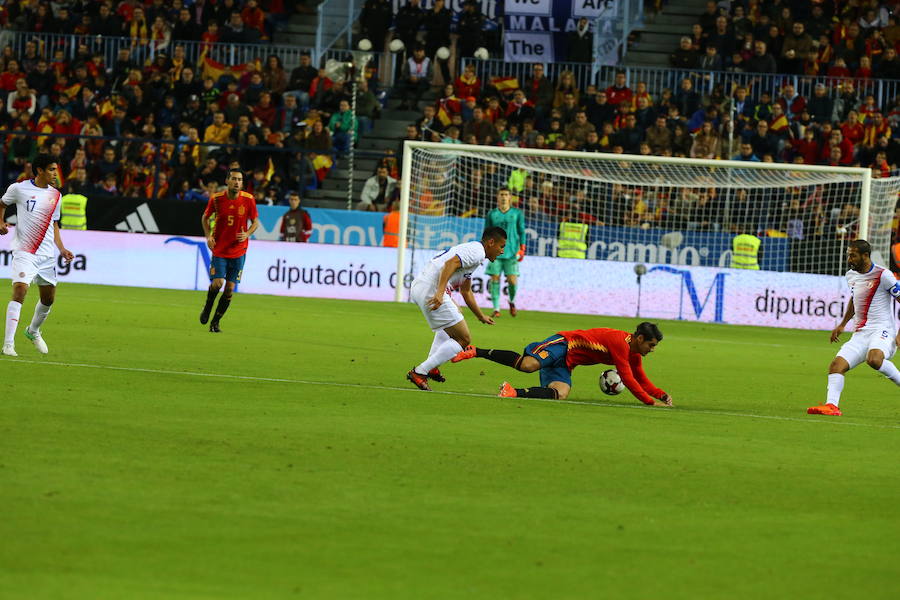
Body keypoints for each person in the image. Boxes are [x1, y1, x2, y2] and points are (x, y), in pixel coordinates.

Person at [452, 322, 672, 405]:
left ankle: (512, 392)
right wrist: (651, 404)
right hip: (563, 344)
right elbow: (629, 380)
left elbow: (641, 378)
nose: (652, 350)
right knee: (528, 365)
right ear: (640, 339)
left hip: (568, 362)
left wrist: (660, 394)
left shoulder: (634, 354)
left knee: (561, 393)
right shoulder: (620, 343)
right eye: (651, 345)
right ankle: (477, 351)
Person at [406, 227, 507, 391]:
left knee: (451, 325)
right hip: (431, 289)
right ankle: (420, 371)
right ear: (491, 242)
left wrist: (481, 316)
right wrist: (439, 293)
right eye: (501, 246)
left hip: (421, 286)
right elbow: (450, 264)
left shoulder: (474, 255)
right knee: (464, 339)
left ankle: (432, 366)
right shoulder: (477, 251)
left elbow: (466, 291)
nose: (502, 251)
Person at [809, 240, 900, 416]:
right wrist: (842, 324)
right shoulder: (851, 275)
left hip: (882, 330)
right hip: (860, 333)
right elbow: (854, 299)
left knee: (874, 360)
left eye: (853, 255)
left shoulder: (884, 275)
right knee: (836, 366)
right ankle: (832, 406)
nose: (849, 259)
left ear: (865, 256)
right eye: (848, 254)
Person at [0, 155, 75, 356]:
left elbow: (54, 224)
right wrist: (1, 222)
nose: (55, 173)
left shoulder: (56, 196)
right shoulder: (19, 188)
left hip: (47, 256)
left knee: (48, 299)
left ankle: (32, 331)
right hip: (25, 251)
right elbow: (2, 203)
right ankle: (8, 344)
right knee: (20, 291)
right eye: (51, 169)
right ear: (40, 170)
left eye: (55, 169)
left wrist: (62, 248)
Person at [199, 168, 260, 333]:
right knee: (217, 283)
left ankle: (215, 322)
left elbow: (255, 222)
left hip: (239, 251)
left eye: (239, 180)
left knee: (229, 289)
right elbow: (205, 217)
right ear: (227, 181)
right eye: (233, 179)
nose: (236, 182)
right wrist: (208, 237)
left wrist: (247, 233)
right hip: (220, 249)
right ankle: (208, 305)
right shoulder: (217, 199)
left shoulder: (248, 199)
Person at [483, 188, 525, 317]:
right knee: (494, 278)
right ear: (497, 197)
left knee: (512, 281)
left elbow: (521, 231)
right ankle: (496, 309)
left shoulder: (517, 213)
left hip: (511, 252)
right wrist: (485, 248)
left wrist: (522, 248)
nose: (503, 197)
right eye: (501, 195)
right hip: (495, 252)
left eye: (506, 195)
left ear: (510, 198)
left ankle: (511, 301)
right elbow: (486, 232)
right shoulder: (492, 214)